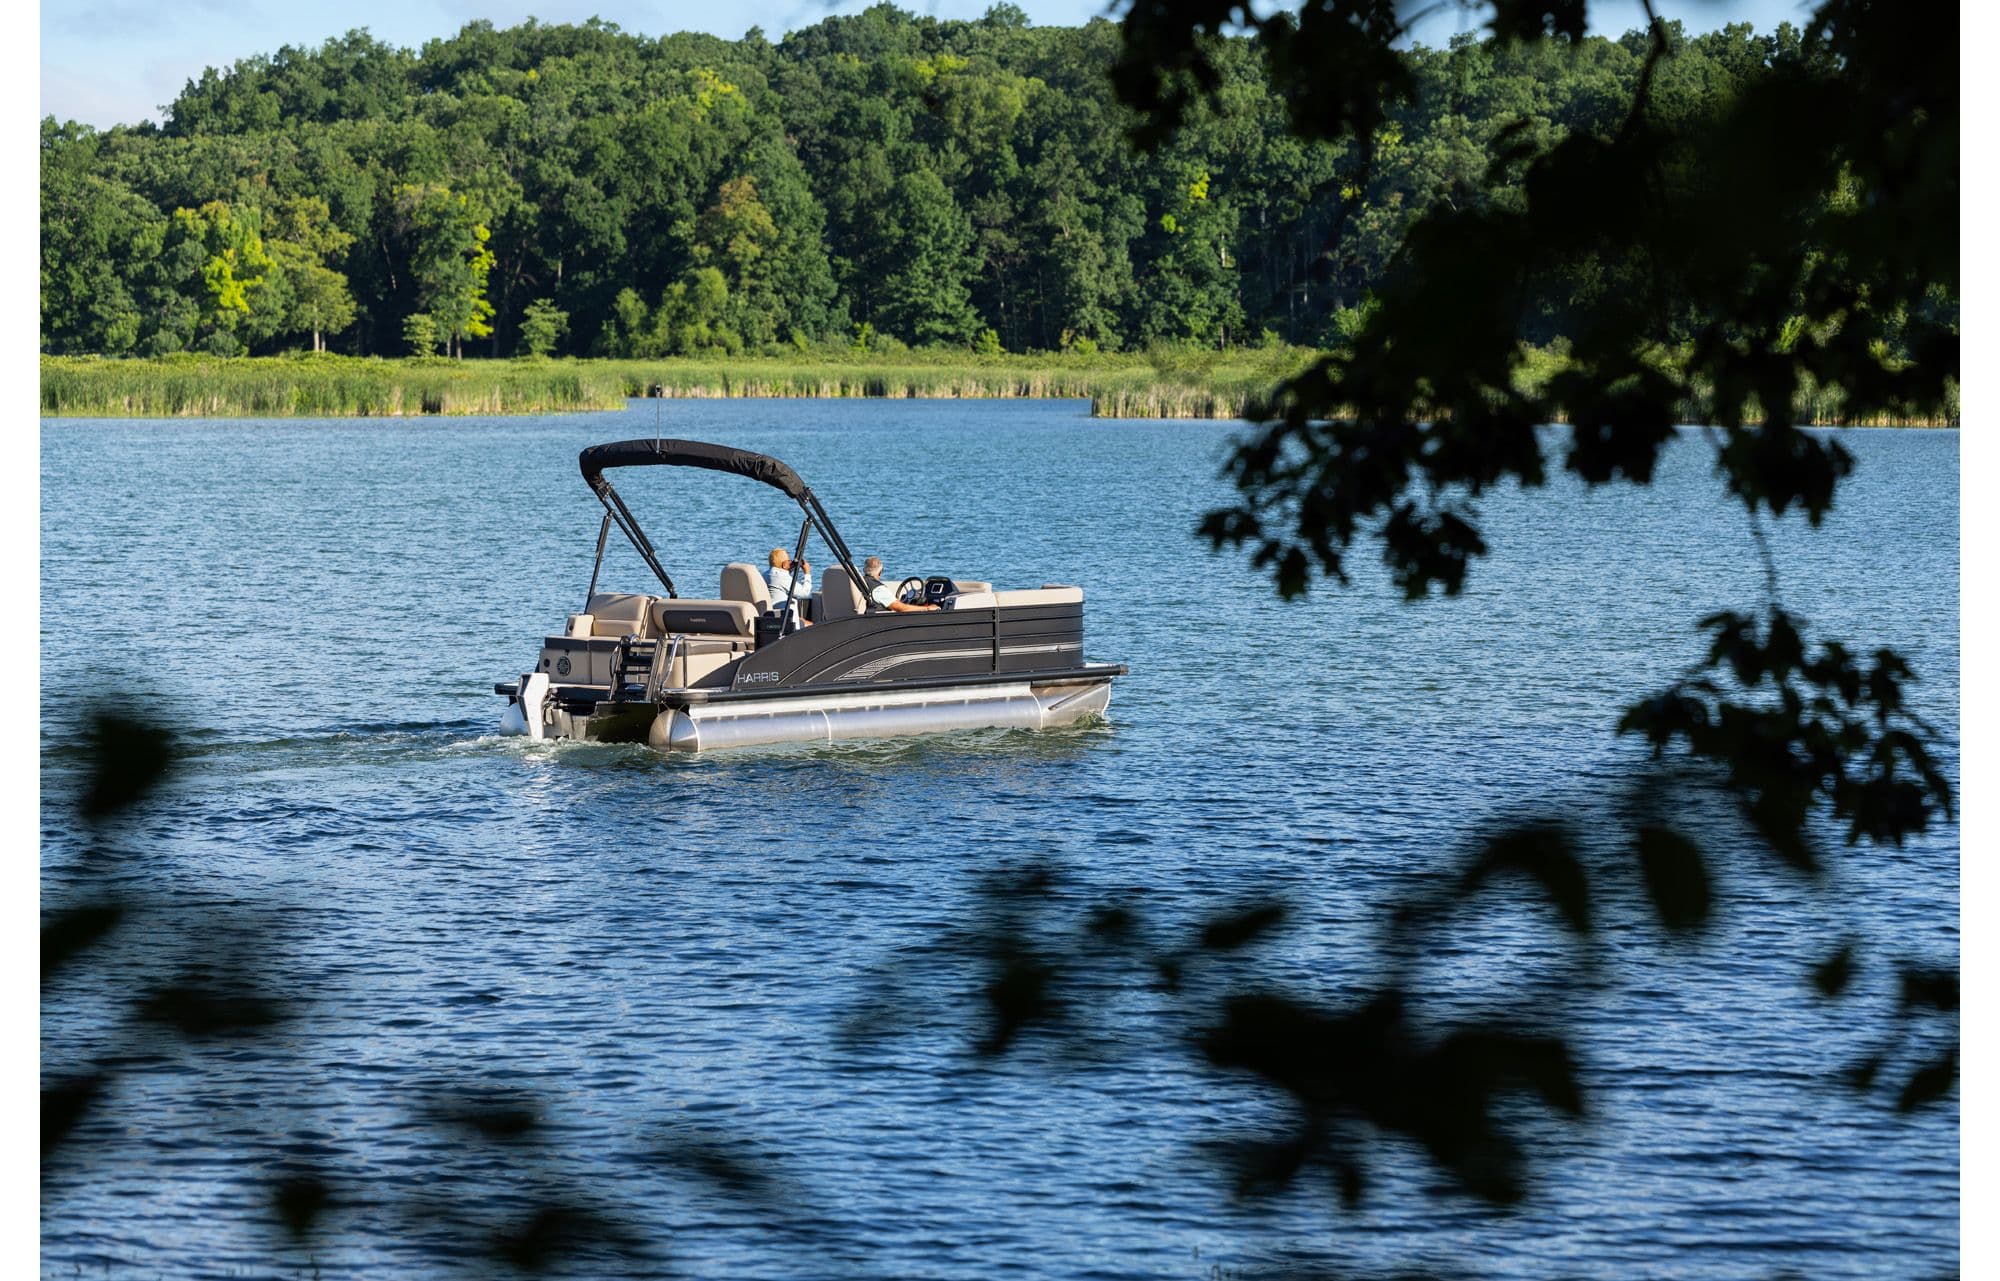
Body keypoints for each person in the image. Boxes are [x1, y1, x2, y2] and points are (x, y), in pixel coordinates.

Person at [862, 555, 939, 613]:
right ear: (880, 572)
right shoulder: (878, 589)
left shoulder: (864, 582)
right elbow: (901, 608)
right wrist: (927, 608)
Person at [764, 548, 813, 628]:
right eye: (789, 561)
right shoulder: (782, 577)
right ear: (784, 565)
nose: (790, 562)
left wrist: (790, 569)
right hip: (786, 623)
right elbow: (805, 593)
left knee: (803, 621)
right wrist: (807, 573)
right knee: (814, 626)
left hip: (774, 617)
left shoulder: (765, 575)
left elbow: (781, 582)